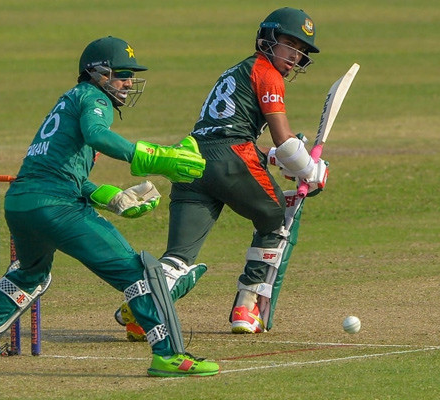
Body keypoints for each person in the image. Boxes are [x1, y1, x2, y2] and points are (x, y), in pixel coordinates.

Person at [0, 36, 220, 377]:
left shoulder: (68, 101)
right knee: (138, 273)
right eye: (121, 74)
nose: (128, 82)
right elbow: (96, 135)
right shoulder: (94, 98)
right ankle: (170, 355)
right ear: (97, 73)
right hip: (58, 206)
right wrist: (152, 157)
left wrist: (110, 196)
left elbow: (55, 168)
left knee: (31, 274)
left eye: (130, 74)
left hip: (21, 203)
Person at [115, 8, 329, 338]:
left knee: (178, 257)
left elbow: (233, 132)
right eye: (291, 44)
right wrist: (312, 171)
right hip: (230, 156)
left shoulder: (235, 71)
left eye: (302, 51)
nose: (295, 56)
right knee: (276, 217)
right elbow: (285, 142)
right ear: (269, 39)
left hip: (191, 161)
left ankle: (142, 313)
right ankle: (246, 306)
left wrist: (274, 159)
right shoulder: (266, 72)